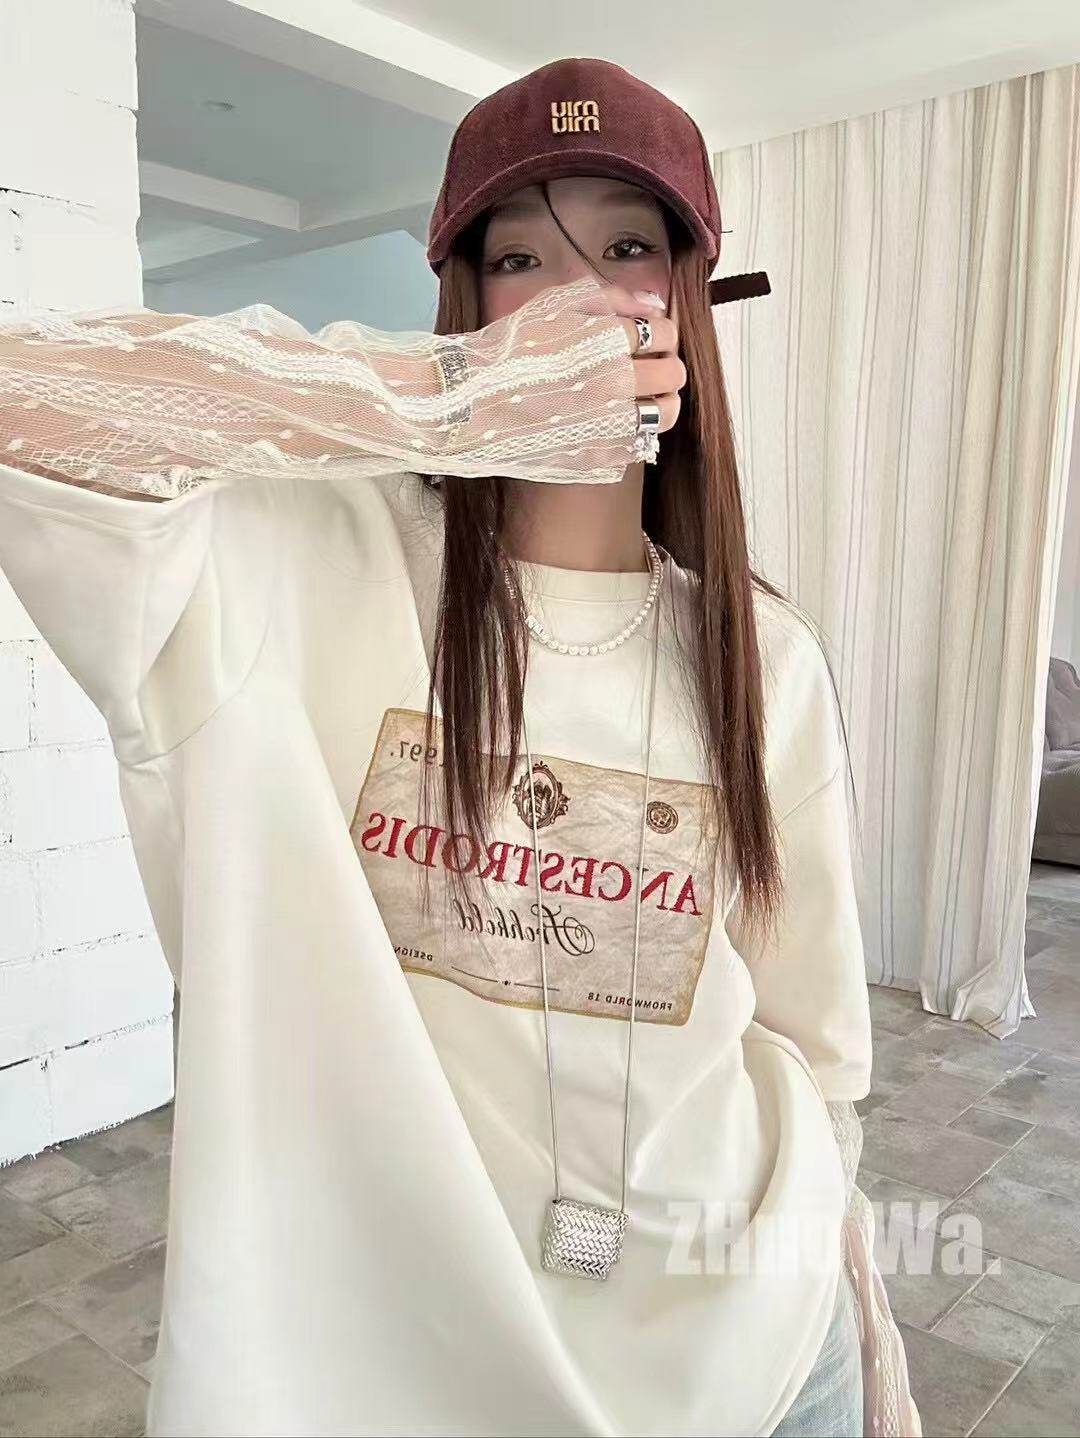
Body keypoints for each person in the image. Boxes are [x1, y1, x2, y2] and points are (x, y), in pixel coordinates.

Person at [0, 54, 920, 1438]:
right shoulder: (293, 566)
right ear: (464, 304)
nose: (578, 302)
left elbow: (815, 1045)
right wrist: (436, 399)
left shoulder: (763, 661)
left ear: (689, 302)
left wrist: (826, 1277)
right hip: (393, 1369)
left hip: (755, 1352)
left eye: (627, 248)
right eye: (519, 261)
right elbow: (26, 394)